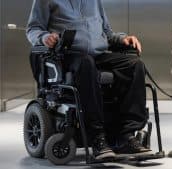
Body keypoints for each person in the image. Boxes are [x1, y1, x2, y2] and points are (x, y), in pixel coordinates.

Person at [26, 0, 149, 160]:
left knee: (135, 65)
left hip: (98, 55)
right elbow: (33, 29)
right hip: (67, 57)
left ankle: (125, 135)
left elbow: (107, 32)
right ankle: (97, 137)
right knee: (86, 64)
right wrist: (44, 38)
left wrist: (123, 39)